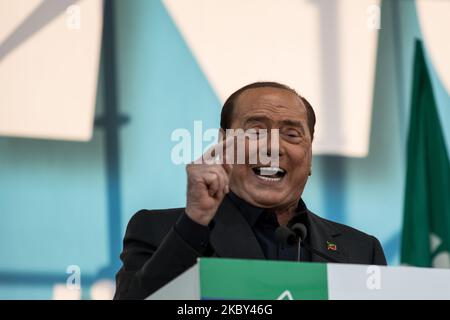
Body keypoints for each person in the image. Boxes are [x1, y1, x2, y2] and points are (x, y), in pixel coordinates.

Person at [113, 82, 387, 300]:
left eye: (292, 135)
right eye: (256, 132)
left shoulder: (361, 251)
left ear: (310, 154)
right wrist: (195, 222)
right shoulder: (161, 230)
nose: (273, 148)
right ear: (223, 144)